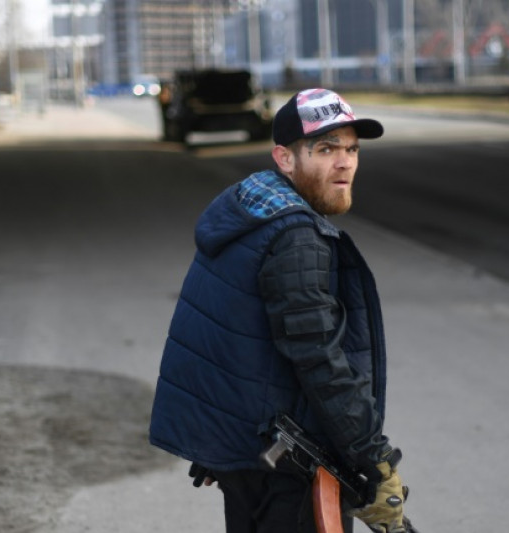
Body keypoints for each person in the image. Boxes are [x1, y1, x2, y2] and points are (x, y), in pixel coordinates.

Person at [149, 88, 410, 533]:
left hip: (249, 454)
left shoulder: (251, 215)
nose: (345, 163)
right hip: (288, 468)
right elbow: (319, 359)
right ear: (285, 159)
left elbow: (223, 335)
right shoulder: (295, 238)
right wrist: (375, 459)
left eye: (351, 149)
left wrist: (218, 443)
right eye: (325, 149)